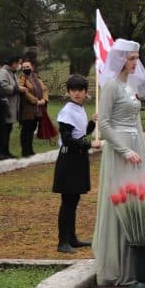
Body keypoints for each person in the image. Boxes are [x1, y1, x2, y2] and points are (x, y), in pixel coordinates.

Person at [93, 39, 145, 286]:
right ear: (120, 59)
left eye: (137, 59)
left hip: (135, 145)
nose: (134, 63)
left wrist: (140, 149)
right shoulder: (111, 87)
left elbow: (134, 120)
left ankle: (136, 261)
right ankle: (117, 262)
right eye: (130, 59)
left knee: (136, 199)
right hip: (120, 150)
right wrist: (123, 150)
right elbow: (104, 123)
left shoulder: (129, 88)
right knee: (120, 198)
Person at [53, 74, 101, 253]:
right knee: (67, 201)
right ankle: (62, 242)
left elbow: (80, 134)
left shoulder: (79, 108)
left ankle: (72, 238)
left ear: (85, 92)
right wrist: (90, 144)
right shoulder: (67, 111)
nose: (77, 93)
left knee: (74, 200)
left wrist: (92, 123)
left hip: (78, 158)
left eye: (80, 90)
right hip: (69, 159)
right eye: (73, 90)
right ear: (68, 92)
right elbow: (67, 140)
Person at [17, 60, 49, 157]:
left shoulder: (37, 78)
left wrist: (44, 99)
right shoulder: (21, 78)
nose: (26, 68)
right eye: (24, 67)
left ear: (32, 67)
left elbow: (45, 89)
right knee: (26, 130)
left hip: (37, 109)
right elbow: (24, 91)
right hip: (27, 109)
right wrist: (36, 101)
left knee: (32, 129)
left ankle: (30, 149)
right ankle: (25, 151)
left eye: (28, 66)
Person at [0, 56, 21, 159]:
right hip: (6, 105)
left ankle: (6, 151)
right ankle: (1, 152)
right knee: (3, 130)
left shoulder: (13, 73)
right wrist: (17, 89)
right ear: (12, 63)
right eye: (17, 63)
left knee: (8, 130)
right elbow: (4, 86)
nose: (18, 65)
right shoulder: (3, 72)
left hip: (13, 105)